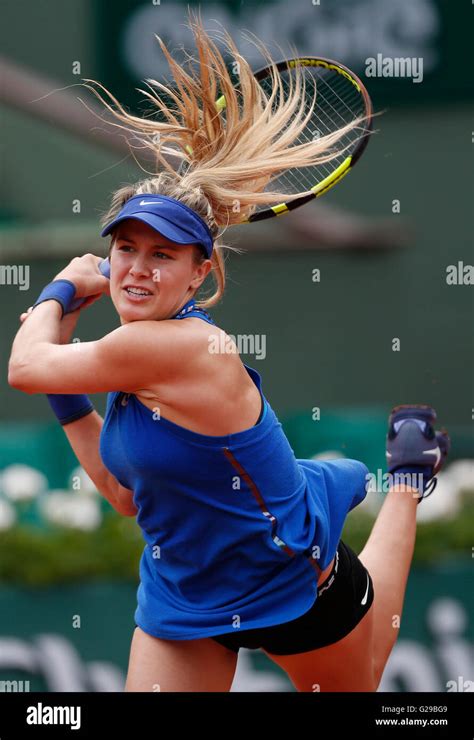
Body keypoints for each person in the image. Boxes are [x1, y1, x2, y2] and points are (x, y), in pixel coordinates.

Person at [8, 14, 449, 692]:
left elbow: (25, 367)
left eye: (162, 256)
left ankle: (408, 486)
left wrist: (62, 289)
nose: (137, 268)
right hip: (186, 592)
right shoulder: (132, 352)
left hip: (284, 576)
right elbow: (124, 497)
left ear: (201, 276)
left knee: (364, 682)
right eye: (125, 249)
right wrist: (64, 368)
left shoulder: (178, 347)